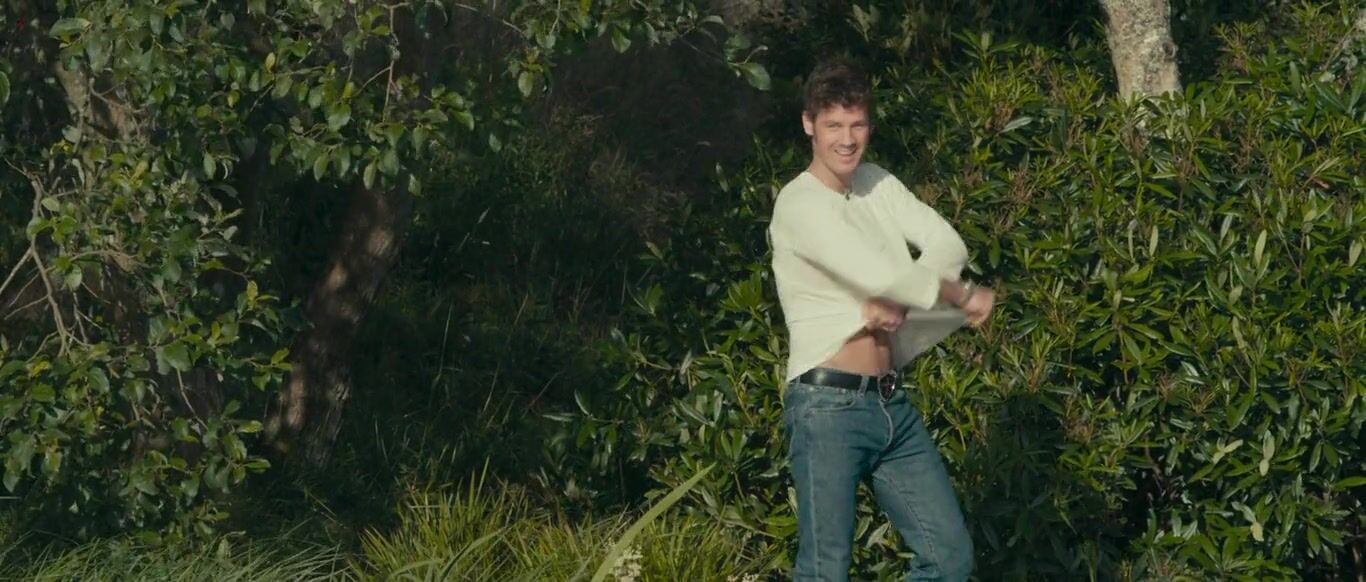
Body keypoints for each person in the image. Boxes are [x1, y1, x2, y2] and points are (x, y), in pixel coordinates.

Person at [767, 56, 997, 581]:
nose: (847, 139)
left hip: (892, 403)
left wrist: (899, 297)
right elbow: (877, 272)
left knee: (949, 561)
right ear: (808, 125)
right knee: (824, 572)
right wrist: (956, 293)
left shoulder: (875, 183)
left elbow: (947, 243)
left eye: (858, 125)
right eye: (833, 126)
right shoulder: (798, 204)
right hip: (827, 407)